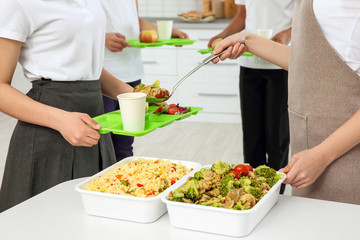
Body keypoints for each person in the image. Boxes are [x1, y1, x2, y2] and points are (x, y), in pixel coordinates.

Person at [212, 0, 360, 204]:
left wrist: (322, 155)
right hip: (309, 153)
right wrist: (247, 40)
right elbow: (311, 63)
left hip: (344, 155)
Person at [0, 0, 134, 212]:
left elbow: (84, 66)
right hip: (47, 129)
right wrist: (61, 120)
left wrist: (130, 94)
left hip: (94, 120)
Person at [208, 0, 294, 194]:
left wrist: (285, 35)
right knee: (252, 136)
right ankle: (253, 192)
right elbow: (242, 17)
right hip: (248, 64)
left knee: (277, 137)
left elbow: (304, 18)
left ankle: (276, 194)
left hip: (279, 64)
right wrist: (223, 36)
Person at [100, 0, 189, 161]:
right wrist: (102, 38)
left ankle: (124, 181)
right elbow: (76, 27)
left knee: (125, 143)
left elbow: (136, 21)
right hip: (104, 78)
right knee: (102, 144)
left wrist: (168, 32)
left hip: (132, 74)